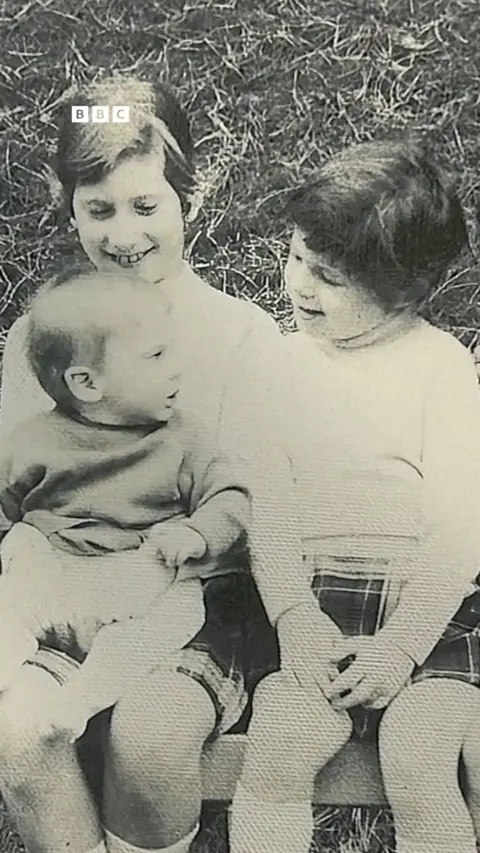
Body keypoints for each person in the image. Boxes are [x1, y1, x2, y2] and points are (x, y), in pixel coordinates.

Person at [0, 73, 312, 853]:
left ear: (188, 198)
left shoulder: (240, 338)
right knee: (19, 732)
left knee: (148, 732)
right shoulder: (43, 337)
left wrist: (168, 555)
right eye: (99, 209)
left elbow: (255, 507)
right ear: (64, 200)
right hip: (70, 584)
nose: (124, 233)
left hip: (199, 597)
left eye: (147, 206)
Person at [230, 138, 480, 853]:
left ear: (405, 291)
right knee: (280, 743)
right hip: (314, 608)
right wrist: (292, 613)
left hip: (431, 615)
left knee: (419, 754)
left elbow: (461, 528)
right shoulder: (281, 364)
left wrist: (403, 644)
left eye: (330, 278)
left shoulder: (440, 367)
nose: (300, 287)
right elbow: (269, 507)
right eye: (298, 259)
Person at [0, 269, 254, 742]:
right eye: (156, 356)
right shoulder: (31, 441)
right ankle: (8, 650)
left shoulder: (184, 438)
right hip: (54, 583)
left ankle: (84, 698)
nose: (178, 367)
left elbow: (231, 495)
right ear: (87, 383)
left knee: (182, 611)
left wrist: (198, 534)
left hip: (139, 587)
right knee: (19, 551)